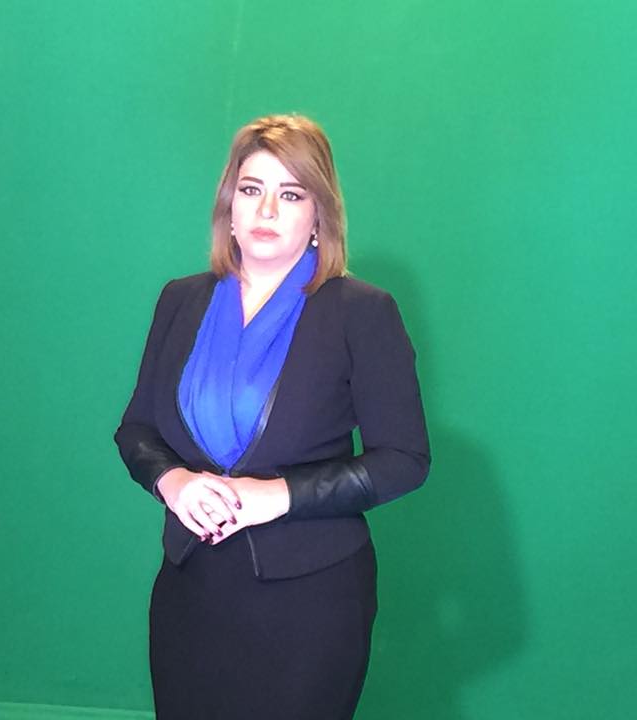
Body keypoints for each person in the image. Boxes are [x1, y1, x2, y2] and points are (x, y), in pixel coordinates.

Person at [114, 114, 430, 720]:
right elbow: (137, 431)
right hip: (190, 589)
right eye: (251, 189)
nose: (265, 210)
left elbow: (405, 460)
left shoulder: (363, 311)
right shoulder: (180, 300)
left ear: (319, 216)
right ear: (228, 205)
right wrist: (173, 482)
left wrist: (275, 495)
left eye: (290, 194)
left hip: (312, 599)